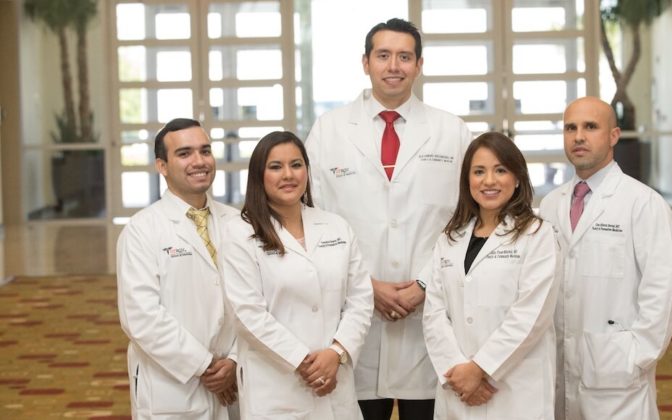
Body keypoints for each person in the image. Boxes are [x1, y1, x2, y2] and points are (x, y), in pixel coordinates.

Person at [305, 17, 473, 420]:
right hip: (354, 318)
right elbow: (313, 221)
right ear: (365, 62)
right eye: (383, 56)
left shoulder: (451, 131)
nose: (393, 66)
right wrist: (365, 286)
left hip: (429, 316)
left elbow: (468, 221)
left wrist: (424, 284)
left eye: (404, 56)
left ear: (418, 64)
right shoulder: (329, 131)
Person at [540, 97, 672, 420]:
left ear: (614, 136)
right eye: (570, 128)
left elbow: (665, 288)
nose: (578, 136)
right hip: (559, 371)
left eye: (590, 127)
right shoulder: (551, 204)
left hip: (618, 374)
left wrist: (637, 356)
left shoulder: (643, 203)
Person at [220, 131, 373, 419]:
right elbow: (248, 314)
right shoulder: (240, 233)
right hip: (277, 384)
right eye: (275, 167)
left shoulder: (336, 226)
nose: (288, 175)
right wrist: (306, 363)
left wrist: (336, 353)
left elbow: (361, 299)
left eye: (296, 164)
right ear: (258, 176)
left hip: (335, 377)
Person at [423, 132, 561, 419]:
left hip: (514, 389)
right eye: (479, 172)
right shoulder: (450, 238)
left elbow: (531, 316)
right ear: (467, 180)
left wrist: (480, 369)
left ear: (518, 178)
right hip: (457, 384)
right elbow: (434, 313)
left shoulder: (537, 235)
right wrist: (458, 370)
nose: (489, 181)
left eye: (500, 170)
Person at [117, 118, 239, 419]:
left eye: (205, 151)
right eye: (184, 153)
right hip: (171, 386)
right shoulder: (142, 230)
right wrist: (206, 367)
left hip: (235, 377)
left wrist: (235, 360)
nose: (199, 161)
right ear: (162, 166)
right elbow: (141, 317)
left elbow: (257, 299)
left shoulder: (237, 223)